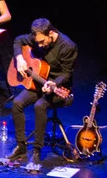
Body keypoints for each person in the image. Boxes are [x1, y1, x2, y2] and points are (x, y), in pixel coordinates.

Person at [9, 18, 77, 168]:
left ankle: (37, 150)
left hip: (58, 88)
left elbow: (66, 74)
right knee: (17, 103)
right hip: (38, 83)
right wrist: (19, 58)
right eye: (37, 42)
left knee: (40, 105)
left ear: (51, 33)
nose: (39, 45)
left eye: (42, 42)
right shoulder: (37, 36)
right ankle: (21, 147)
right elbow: (18, 40)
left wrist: (54, 83)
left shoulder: (67, 46)